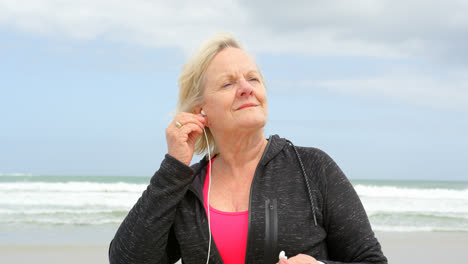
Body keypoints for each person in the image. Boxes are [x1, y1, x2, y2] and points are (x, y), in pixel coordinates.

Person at [109, 32, 387, 264]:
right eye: (228, 83)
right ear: (200, 110)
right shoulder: (186, 188)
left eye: (253, 78)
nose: (246, 88)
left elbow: (371, 260)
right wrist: (174, 168)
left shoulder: (313, 167)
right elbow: (126, 259)